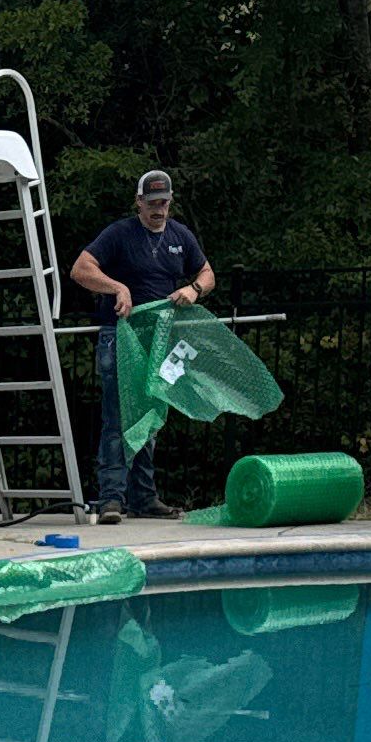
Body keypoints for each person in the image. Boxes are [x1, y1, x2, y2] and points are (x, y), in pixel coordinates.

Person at [69, 168, 217, 523]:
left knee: (151, 416)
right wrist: (117, 287)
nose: (158, 210)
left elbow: (207, 274)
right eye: (152, 203)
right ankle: (111, 499)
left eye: (164, 203)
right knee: (119, 416)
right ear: (138, 202)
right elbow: (80, 269)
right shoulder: (119, 234)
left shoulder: (180, 235)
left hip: (160, 339)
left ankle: (144, 498)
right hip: (122, 337)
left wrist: (193, 290)